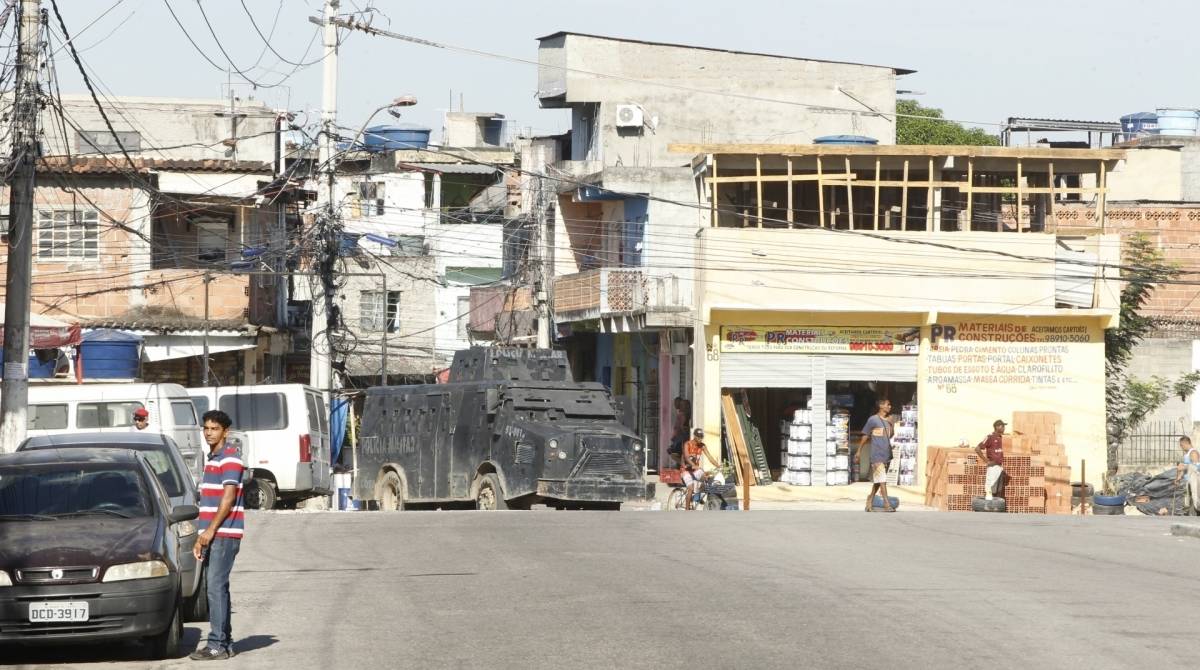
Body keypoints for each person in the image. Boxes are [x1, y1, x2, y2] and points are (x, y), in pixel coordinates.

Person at [190, 410, 246, 661]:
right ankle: (224, 642)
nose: (209, 432)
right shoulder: (212, 459)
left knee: (215, 587)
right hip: (212, 534)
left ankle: (216, 646)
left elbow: (228, 498)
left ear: (226, 431)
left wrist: (211, 531)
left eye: (214, 428)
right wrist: (201, 535)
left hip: (224, 534)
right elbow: (209, 503)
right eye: (206, 428)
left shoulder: (230, 459)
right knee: (218, 588)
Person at [860, 399, 896, 512]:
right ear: (881, 406)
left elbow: (890, 435)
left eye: (890, 404)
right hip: (876, 455)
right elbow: (865, 435)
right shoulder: (873, 420)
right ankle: (886, 504)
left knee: (878, 481)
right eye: (887, 404)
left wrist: (892, 424)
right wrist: (859, 450)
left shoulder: (889, 420)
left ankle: (869, 501)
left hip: (886, 455)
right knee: (882, 480)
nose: (889, 406)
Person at [975, 419, 1007, 501]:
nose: (1004, 428)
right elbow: (977, 449)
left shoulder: (1000, 437)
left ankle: (996, 509)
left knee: (998, 489)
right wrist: (986, 461)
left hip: (999, 467)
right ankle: (987, 507)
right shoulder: (989, 437)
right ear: (997, 427)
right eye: (1002, 426)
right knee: (990, 488)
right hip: (993, 467)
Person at [681, 428, 712, 511]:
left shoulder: (702, 446)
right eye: (699, 437)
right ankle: (687, 510)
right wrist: (693, 465)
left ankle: (697, 496)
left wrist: (719, 465)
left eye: (701, 437)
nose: (700, 439)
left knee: (706, 478)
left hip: (695, 470)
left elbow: (710, 457)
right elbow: (687, 458)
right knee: (691, 488)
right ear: (694, 436)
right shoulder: (687, 444)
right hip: (686, 470)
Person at [1174, 436, 1200, 514]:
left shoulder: (1193, 453)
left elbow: (1197, 467)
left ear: (1185, 443)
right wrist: (1178, 478)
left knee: (1196, 499)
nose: (1181, 447)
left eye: (1181, 445)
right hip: (1188, 480)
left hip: (1195, 480)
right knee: (1189, 501)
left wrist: (1184, 466)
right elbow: (1185, 467)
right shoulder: (1187, 454)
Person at [667, 397, 691, 467]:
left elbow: (681, 427)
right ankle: (683, 465)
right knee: (677, 453)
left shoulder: (682, 415)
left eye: (681, 405)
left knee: (674, 453)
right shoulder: (682, 414)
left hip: (680, 438)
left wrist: (676, 436)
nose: (675, 405)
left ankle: (684, 465)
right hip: (679, 437)